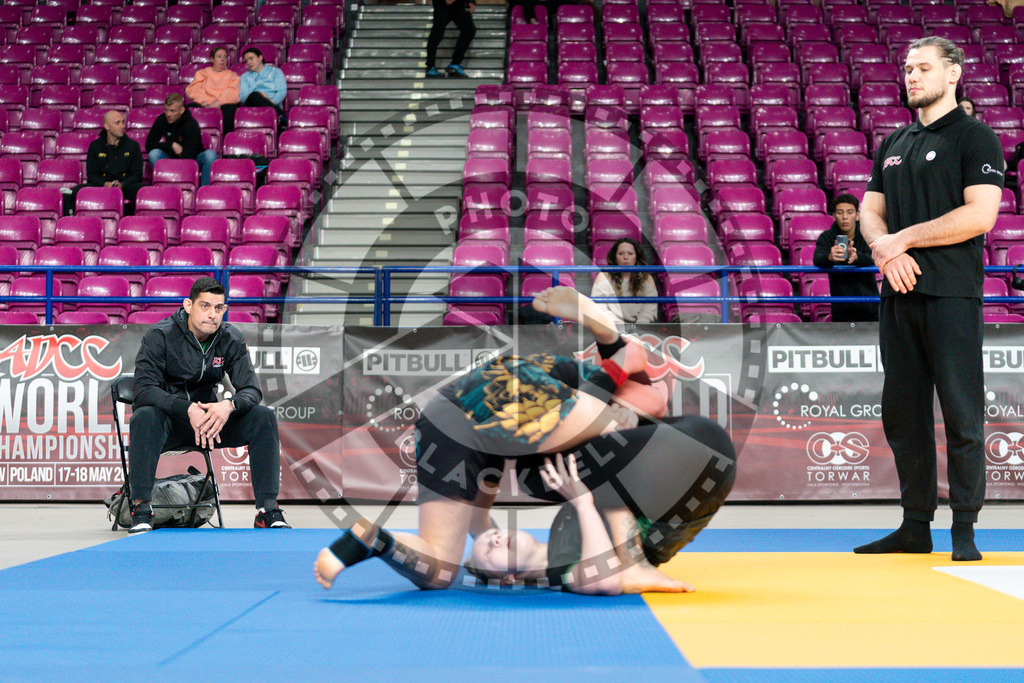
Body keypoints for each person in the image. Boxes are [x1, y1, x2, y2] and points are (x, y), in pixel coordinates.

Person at [314, 286, 737, 595]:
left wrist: (489, 546)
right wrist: (612, 345)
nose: (496, 544)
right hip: (509, 394)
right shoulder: (571, 388)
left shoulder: (540, 524)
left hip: (445, 417)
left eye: (490, 557)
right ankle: (612, 339)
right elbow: (650, 400)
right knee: (630, 414)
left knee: (439, 567)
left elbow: (480, 524)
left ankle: (374, 538)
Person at [857, 37, 1003, 562]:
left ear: (953, 74)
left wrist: (906, 238)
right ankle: (915, 525)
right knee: (903, 414)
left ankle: (964, 529)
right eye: (907, 68)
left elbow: (979, 216)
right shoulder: (894, 141)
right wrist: (883, 248)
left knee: (962, 415)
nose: (912, 76)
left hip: (952, 296)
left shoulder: (976, 137)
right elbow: (870, 211)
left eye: (923, 68)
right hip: (898, 296)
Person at [128, 277, 290, 533]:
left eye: (218, 308)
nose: (212, 314)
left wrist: (228, 405)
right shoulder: (160, 335)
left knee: (263, 417)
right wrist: (187, 407)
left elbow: (251, 389)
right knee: (144, 416)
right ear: (188, 305)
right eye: (204, 306)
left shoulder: (230, 338)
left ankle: (267, 509)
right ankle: (141, 507)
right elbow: (144, 389)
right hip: (170, 422)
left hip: (209, 426)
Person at [812, 193, 879, 322]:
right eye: (840, 212)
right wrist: (830, 257)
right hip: (841, 308)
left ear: (857, 215)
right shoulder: (826, 237)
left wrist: (857, 257)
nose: (845, 217)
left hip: (870, 307)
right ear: (834, 216)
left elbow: (875, 257)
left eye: (849, 212)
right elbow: (817, 259)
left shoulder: (867, 235)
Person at [64, 110, 145, 217]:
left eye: (123, 122)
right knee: (78, 190)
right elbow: (92, 175)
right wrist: (104, 184)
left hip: (125, 186)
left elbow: (137, 175)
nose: (122, 126)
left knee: (144, 190)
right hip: (102, 185)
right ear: (107, 126)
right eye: (117, 123)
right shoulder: (95, 146)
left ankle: (133, 220)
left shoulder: (133, 145)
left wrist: (122, 184)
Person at [146, 93, 218, 187]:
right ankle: (165, 188)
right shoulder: (161, 119)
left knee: (210, 155)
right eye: (166, 110)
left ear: (182, 110)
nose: (168, 114)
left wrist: (181, 153)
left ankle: (204, 191)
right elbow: (149, 145)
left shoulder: (191, 124)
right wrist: (172, 145)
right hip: (172, 158)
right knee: (153, 154)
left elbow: (189, 155)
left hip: (192, 159)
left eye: (172, 111)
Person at [591, 237, 660, 325]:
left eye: (630, 253)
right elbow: (600, 307)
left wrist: (639, 327)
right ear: (615, 257)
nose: (626, 257)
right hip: (612, 328)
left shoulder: (647, 278)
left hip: (640, 328)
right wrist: (617, 325)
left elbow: (650, 310)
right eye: (621, 253)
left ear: (636, 257)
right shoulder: (604, 276)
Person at [185, 45, 241, 133]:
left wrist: (217, 103)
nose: (222, 59)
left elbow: (234, 92)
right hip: (204, 104)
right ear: (212, 59)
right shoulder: (202, 73)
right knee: (184, 109)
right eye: (219, 57)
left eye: (225, 57)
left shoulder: (232, 75)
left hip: (222, 105)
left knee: (230, 109)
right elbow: (194, 89)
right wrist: (204, 102)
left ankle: (226, 140)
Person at [425, 0, 476, 78]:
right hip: (442, 5)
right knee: (437, 33)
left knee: (469, 30)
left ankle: (455, 64)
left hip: (458, 4)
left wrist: (471, 1)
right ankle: (430, 67)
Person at [239, 47, 287, 127]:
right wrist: (259, 94)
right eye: (246, 61)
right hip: (253, 108)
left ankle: (276, 114)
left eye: (251, 58)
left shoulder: (275, 72)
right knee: (255, 95)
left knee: (256, 96)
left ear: (260, 58)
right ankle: (279, 116)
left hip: (272, 103)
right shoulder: (245, 77)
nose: (249, 62)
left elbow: (282, 91)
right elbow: (242, 97)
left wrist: (271, 101)